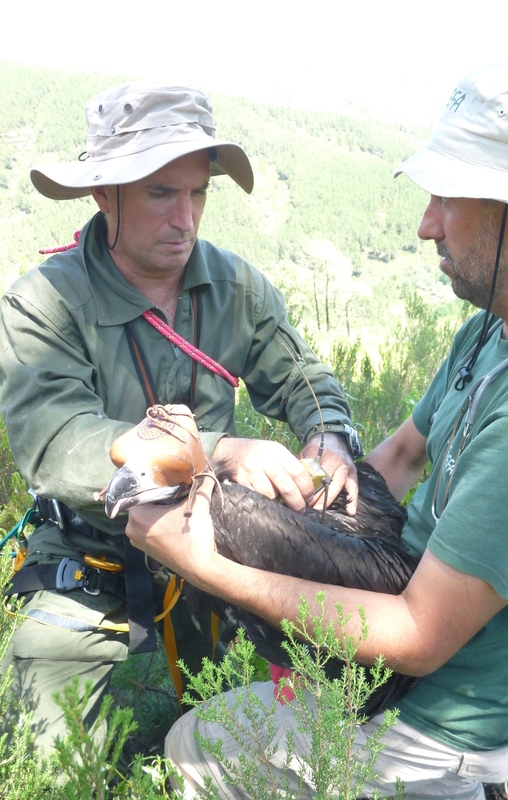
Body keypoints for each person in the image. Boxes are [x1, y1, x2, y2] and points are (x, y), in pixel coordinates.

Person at [126, 63, 508, 800]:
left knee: (197, 746)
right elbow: (405, 454)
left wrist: (211, 565)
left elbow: (415, 639)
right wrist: (303, 487)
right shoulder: (502, 330)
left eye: (445, 196)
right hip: (413, 657)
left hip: (432, 729)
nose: (425, 223)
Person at [0, 82, 361, 752]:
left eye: (198, 193)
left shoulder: (234, 287)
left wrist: (328, 434)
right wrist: (217, 452)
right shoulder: (43, 304)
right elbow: (57, 444)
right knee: (49, 767)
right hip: (90, 570)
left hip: (211, 570)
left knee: (245, 753)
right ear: (102, 195)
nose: (185, 217)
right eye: (161, 193)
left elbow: (306, 380)